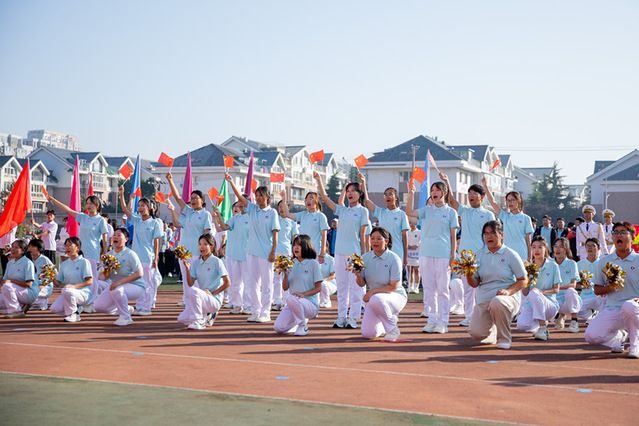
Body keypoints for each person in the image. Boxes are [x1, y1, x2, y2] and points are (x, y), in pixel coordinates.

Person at [314, 171, 370, 329]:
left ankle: (353, 318)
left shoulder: (363, 211)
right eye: (348, 191)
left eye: (353, 191)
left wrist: (364, 256)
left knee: (356, 287)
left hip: (355, 254)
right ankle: (341, 317)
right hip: (339, 253)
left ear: (359, 194)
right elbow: (325, 199)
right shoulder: (342, 210)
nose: (350, 194)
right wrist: (319, 180)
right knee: (342, 286)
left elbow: (363, 235)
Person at [441, 173, 495, 327]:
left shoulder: (488, 214)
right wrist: (447, 182)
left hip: (482, 255)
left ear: (481, 197)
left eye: (474, 193)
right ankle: (469, 316)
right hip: (465, 257)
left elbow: (492, 235)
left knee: (481, 288)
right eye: (469, 193)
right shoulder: (464, 211)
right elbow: (451, 201)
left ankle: (483, 316)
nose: (471, 196)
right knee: (468, 289)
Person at [406, 178, 458, 334]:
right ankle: (432, 320)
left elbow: (453, 236)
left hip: (443, 254)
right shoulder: (426, 210)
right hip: (425, 254)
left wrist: (452, 255)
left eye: (437, 190)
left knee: (442, 289)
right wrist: (411, 194)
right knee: (429, 289)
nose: (434, 193)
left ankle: (443, 322)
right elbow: (409, 213)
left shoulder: (451, 212)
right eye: (432, 190)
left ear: (444, 193)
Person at [225, 173, 280, 323]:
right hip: (251, 252)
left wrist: (273, 252)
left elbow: (275, 233)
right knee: (253, 284)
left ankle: (266, 313)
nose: (258, 198)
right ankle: (256, 311)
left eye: (261, 195)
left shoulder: (272, 213)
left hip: (266, 253)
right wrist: (231, 182)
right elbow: (240, 197)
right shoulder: (253, 209)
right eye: (256, 195)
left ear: (267, 197)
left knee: (266, 284)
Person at [465, 220, 527, 350]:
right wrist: (469, 274)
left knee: (497, 302)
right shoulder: (477, 255)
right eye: (486, 233)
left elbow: (523, 279)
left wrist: (508, 292)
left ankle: (504, 338)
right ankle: (493, 332)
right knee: (476, 334)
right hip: (484, 299)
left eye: (492, 233)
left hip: (506, 299)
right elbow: (474, 284)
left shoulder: (511, 254)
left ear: (501, 235)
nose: (489, 236)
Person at [585, 222, 639, 358]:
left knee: (629, 305)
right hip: (612, 308)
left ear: (632, 238)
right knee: (591, 336)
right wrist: (610, 287)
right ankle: (618, 338)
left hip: (635, 308)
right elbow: (597, 289)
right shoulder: (604, 261)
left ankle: (635, 345)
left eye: (623, 232)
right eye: (615, 233)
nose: (618, 235)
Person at [47, 194, 108, 312]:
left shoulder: (101, 220)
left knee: (92, 278)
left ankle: (91, 303)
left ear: (97, 205)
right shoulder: (83, 217)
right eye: (87, 204)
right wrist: (53, 200)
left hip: (93, 253)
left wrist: (104, 254)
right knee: (81, 277)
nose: (88, 206)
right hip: (80, 252)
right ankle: (82, 300)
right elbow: (68, 210)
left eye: (91, 204)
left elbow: (105, 239)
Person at [165, 172, 213, 306]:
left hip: (197, 252)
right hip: (184, 251)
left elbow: (207, 235)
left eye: (196, 198)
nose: (193, 200)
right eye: (191, 198)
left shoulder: (206, 214)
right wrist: (170, 181)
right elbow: (177, 198)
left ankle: (198, 301)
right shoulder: (188, 212)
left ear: (202, 200)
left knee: (196, 279)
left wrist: (205, 251)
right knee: (186, 278)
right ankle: (186, 300)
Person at [354, 227, 407, 341]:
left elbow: (393, 287)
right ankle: (389, 319)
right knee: (368, 334)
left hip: (395, 297)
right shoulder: (365, 258)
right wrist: (358, 276)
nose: (375, 241)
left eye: (379, 239)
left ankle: (393, 330)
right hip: (376, 300)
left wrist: (372, 292)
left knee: (375, 298)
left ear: (386, 241)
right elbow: (361, 284)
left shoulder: (394, 259)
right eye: (372, 238)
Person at [118, 186, 163, 316]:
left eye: (143, 206)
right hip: (136, 258)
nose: (140, 208)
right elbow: (125, 210)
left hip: (148, 257)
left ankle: (147, 307)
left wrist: (156, 257)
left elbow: (156, 240)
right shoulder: (137, 220)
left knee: (148, 283)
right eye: (139, 206)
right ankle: (139, 305)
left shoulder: (155, 223)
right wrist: (122, 195)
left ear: (149, 208)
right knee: (138, 283)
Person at [177, 234, 230, 330]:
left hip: (214, 300)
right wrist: (187, 269)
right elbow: (190, 283)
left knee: (193, 291)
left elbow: (227, 283)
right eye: (200, 244)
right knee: (181, 319)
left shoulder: (217, 261)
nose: (201, 246)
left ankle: (199, 321)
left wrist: (213, 294)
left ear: (211, 246)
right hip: (203, 300)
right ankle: (207, 316)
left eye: (205, 244)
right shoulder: (196, 263)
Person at [94, 228, 145, 326]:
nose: (115, 237)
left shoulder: (130, 254)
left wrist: (119, 282)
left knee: (118, 290)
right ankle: (125, 308)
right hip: (117, 287)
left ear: (126, 239)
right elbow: (103, 277)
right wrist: (105, 272)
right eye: (114, 235)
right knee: (98, 306)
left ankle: (125, 317)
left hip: (136, 287)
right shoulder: (108, 255)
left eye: (119, 235)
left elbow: (139, 273)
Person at [273, 235, 322, 336]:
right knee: (278, 328)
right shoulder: (290, 263)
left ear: (306, 246)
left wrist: (303, 294)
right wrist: (286, 275)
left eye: (298, 245)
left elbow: (318, 288)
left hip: (310, 305)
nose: (295, 247)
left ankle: (302, 326)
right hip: (293, 303)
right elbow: (285, 288)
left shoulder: (313, 264)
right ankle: (299, 319)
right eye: (294, 245)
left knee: (291, 298)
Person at [358, 172, 410, 268]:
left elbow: (405, 237)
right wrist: (364, 182)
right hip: (382, 253)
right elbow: (367, 201)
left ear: (396, 198)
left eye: (390, 194)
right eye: (385, 195)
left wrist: (405, 256)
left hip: (398, 252)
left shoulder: (401, 214)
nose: (387, 196)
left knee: (396, 277)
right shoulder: (381, 212)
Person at [516, 236, 561, 341]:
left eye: (540, 247)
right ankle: (537, 327)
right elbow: (525, 293)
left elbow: (556, 290)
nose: (536, 250)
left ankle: (543, 328)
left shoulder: (553, 266)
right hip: (532, 305)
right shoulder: (527, 267)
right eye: (534, 247)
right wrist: (526, 281)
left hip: (550, 305)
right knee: (521, 325)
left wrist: (540, 292)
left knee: (534, 293)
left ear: (546, 249)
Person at [212, 201, 251, 315]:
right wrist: (217, 216)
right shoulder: (234, 219)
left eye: (240, 205)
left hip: (247, 255)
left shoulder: (252, 218)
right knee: (235, 282)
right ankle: (237, 305)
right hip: (234, 254)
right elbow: (222, 228)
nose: (238, 207)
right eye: (236, 205)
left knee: (248, 282)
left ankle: (248, 305)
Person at [482, 178, 533, 262]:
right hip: (506, 254)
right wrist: (485, 187)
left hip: (522, 254)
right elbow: (493, 202)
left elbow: (528, 239)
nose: (510, 203)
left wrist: (530, 256)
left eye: (512, 200)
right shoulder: (505, 216)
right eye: (508, 201)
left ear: (519, 201)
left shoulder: (526, 218)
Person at [49, 237, 93, 322]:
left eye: (70, 245)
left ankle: (73, 314)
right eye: (66, 245)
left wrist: (73, 286)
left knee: (66, 290)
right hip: (68, 292)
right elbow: (58, 283)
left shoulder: (84, 262)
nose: (67, 248)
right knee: (54, 308)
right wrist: (51, 278)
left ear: (78, 247)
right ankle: (76, 310)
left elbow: (89, 281)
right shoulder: (64, 264)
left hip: (83, 293)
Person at [280, 191, 329, 265]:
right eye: (306, 199)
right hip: (301, 252)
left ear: (316, 201)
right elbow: (287, 214)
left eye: (311, 199)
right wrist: (284, 199)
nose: (308, 201)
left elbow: (324, 236)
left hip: (314, 252)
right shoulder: (303, 215)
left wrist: (322, 253)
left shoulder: (321, 216)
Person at [272, 200, 299, 311]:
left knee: (286, 277)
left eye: (283, 206)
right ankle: (277, 301)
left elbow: (294, 238)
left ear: (288, 208)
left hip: (287, 252)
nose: (281, 209)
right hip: (276, 252)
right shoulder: (275, 220)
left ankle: (285, 302)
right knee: (276, 278)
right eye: (279, 207)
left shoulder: (292, 222)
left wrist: (295, 253)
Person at [552, 237, 582, 333]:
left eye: (561, 246)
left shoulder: (572, 263)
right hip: (553, 301)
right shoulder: (549, 263)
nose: (557, 249)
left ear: (567, 249)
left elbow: (573, 284)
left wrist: (557, 288)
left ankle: (574, 321)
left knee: (571, 291)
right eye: (555, 246)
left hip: (567, 302)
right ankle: (557, 316)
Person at [1, 240, 36, 318]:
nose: (13, 249)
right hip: (14, 292)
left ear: (23, 251)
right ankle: (21, 306)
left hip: (28, 293)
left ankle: (16, 311)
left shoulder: (27, 263)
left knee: (7, 286)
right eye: (12, 247)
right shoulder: (10, 263)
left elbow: (29, 284)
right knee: (6, 286)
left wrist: (11, 281)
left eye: (16, 247)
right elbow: (4, 281)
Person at [577, 238, 605, 323]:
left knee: (607, 303)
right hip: (585, 296)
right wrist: (582, 286)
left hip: (599, 297)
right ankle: (592, 314)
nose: (590, 248)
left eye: (593, 245)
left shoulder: (603, 263)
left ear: (598, 248)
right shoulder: (579, 264)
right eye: (587, 246)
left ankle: (598, 317)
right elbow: (575, 283)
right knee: (575, 310)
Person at [27, 238, 55, 311]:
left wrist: (42, 285)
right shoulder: (28, 259)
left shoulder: (44, 260)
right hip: (33, 285)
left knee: (30, 294)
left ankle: (42, 301)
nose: (30, 249)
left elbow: (53, 274)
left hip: (44, 287)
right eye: (29, 247)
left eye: (33, 247)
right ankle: (33, 302)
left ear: (39, 248)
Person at [406, 221, 421, 294]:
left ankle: (416, 287)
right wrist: (407, 245)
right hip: (409, 253)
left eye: (413, 223)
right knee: (410, 270)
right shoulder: (407, 232)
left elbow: (422, 242)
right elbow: (404, 241)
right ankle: (410, 287)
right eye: (410, 223)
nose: (412, 225)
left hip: (416, 253)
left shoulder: (419, 232)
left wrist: (417, 245)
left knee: (416, 270)